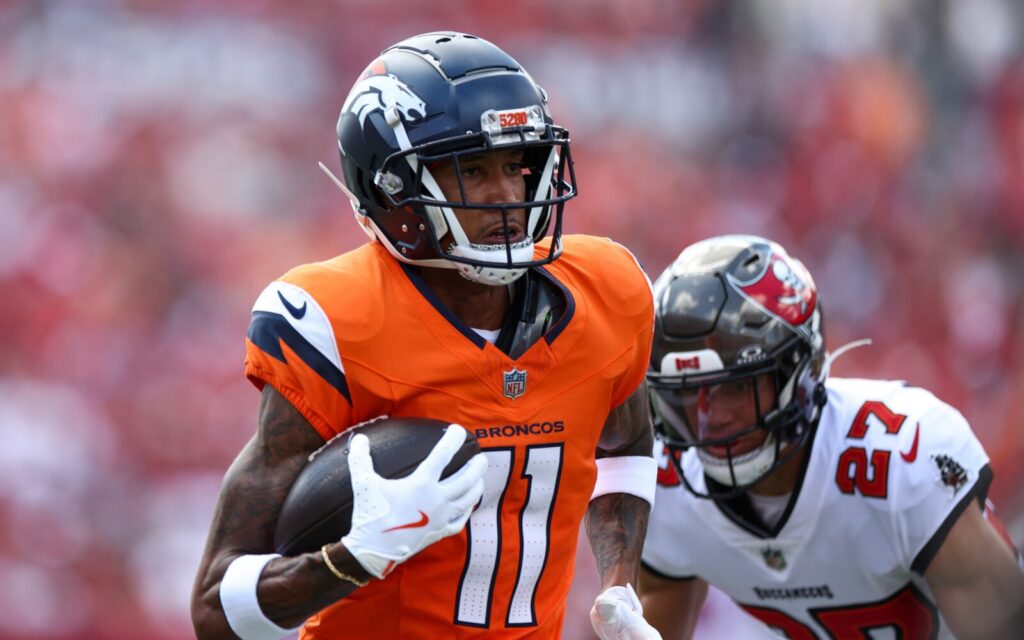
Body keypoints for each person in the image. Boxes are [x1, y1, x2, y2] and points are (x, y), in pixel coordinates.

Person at [190, 32, 662, 640]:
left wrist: (619, 581)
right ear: (392, 190)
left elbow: (625, 449)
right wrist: (352, 558)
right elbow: (215, 612)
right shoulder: (336, 321)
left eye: (517, 166)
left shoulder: (609, 290)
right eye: (472, 170)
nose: (508, 197)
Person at [637, 234, 1024, 639]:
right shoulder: (667, 484)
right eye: (683, 393)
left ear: (798, 372)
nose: (708, 418)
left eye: (733, 388)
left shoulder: (899, 458)